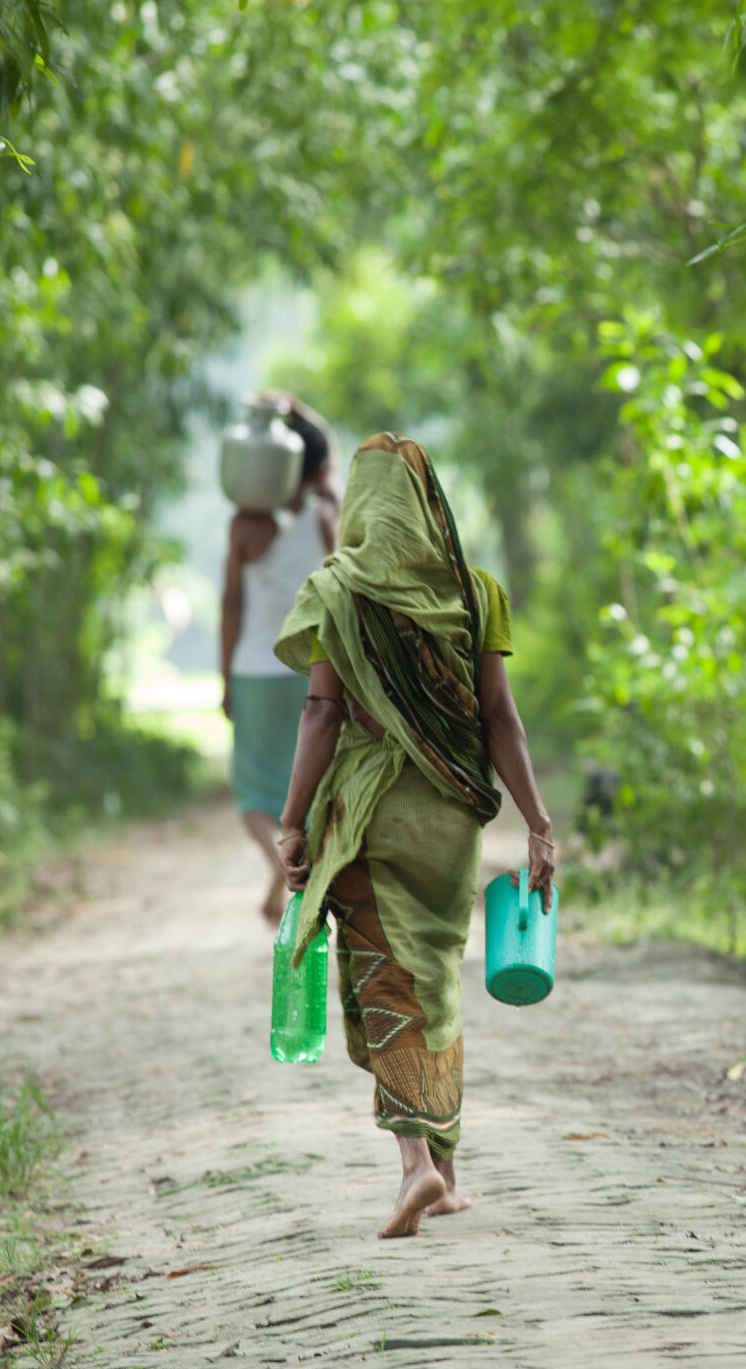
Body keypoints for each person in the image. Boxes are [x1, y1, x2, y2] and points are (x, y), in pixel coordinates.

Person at [272, 432, 556, 1239]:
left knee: (384, 981)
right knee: (434, 975)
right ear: (430, 506)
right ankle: (453, 1171)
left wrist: (292, 822)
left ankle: (415, 1169)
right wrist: (537, 820)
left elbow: (323, 712)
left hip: (369, 810)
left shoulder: (340, 592)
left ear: (362, 506)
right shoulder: (475, 592)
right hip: (450, 815)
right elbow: (502, 718)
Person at [221, 394, 340, 923]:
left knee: (252, 787)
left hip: (253, 667)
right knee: (307, 780)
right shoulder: (327, 514)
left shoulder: (245, 525)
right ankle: (295, 861)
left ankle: (275, 854)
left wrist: (225, 677)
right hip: (308, 668)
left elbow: (231, 603)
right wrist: (304, 416)